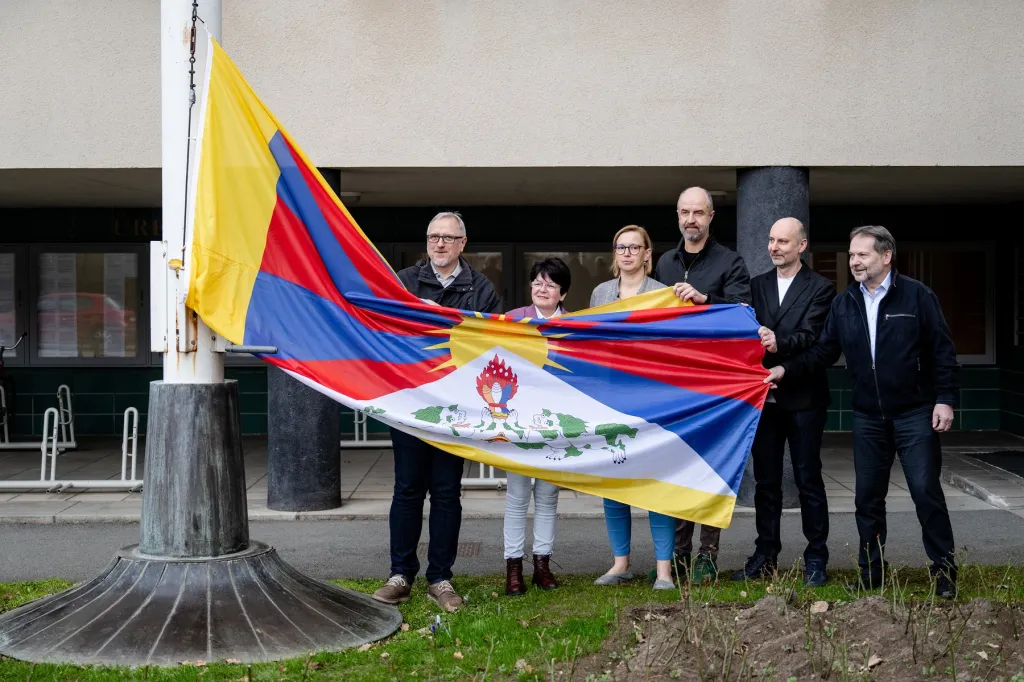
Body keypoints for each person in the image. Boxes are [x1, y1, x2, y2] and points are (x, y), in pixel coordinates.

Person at [764, 225, 960, 598]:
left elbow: (942, 352)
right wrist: (785, 369)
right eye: (852, 255)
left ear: (886, 256)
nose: (854, 261)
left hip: (915, 413)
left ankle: (944, 572)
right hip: (868, 416)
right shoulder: (845, 303)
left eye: (862, 255)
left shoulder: (917, 296)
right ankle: (871, 573)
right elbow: (824, 351)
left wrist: (945, 399)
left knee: (925, 492)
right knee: (867, 499)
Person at [372, 211, 501, 612]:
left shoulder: (481, 288)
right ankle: (400, 576)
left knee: (446, 493)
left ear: (463, 243)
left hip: (455, 408)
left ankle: (441, 579)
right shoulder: (404, 282)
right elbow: (383, 330)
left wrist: (451, 327)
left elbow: (491, 343)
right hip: (409, 403)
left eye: (447, 238)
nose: (439, 244)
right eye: (433, 237)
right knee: (408, 490)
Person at [655, 186, 752, 583]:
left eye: (698, 212)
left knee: (711, 467)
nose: (690, 219)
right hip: (674, 382)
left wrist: (704, 299)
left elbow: (744, 314)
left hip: (715, 384)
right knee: (678, 466)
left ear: (711, 217)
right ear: (677, 216)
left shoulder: (731, 262)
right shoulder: (663, 262)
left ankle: (707, 555)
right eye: (684, 212)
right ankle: (677, 554)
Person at [734, 217, 835, 587]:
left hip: (804, 397)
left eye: (783, 242)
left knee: (809, 479)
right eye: (771, 240)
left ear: (802, 246)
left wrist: (780, 351)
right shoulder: (756, 285)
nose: (775, 248)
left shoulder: (821, 288)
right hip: (763, 398)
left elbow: (813, 335)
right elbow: (738, 326)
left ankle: (816, 558)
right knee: (766, 481)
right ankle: (765, 555)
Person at [590, 225, 678, 590]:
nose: (626, 253)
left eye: (634, 247)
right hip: (610, 398)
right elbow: (590, 343)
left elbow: (672, 348)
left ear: (647, 253)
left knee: (656, 484)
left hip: (652, 398)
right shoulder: (601, 293)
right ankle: (620, 563)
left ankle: (663, 572)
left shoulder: (662, 294)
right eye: (620, 246)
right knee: (615, 485)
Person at [501, 257, 573, 595]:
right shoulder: (513, 320)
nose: (542, 289)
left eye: (550, 284)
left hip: (556, 423)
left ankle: (542, 564)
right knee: (516, 497)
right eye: (537, 283)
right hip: (518, 421)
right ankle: (512, 566)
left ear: (562, 293)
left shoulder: (576, 327)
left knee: (547, 496)